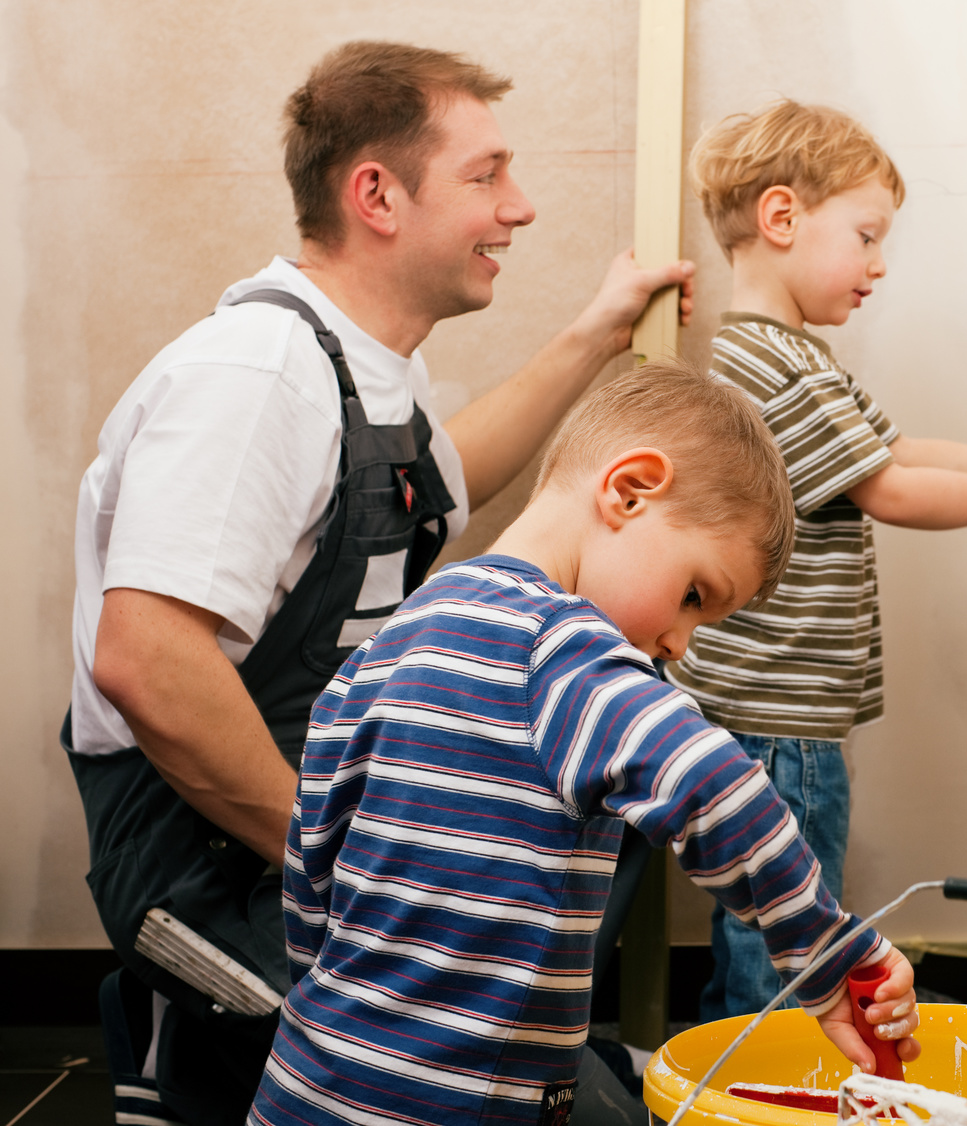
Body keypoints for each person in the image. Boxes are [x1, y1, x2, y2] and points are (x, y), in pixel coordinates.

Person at [66, 41, 694, 1126]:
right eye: (487, 175)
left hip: (299, 818)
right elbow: (148, 662)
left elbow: (451, 468)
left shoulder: (361, 367)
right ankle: (179, 1046)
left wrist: (597, 332)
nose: (521, 207)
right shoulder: (256, 377)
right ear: (377, 196)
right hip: (199, 862)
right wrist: (357, 871)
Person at [248, 362, 922, 1126]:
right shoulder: (558, 645)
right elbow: (714, 782)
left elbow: (308, 868)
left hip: (307, 1079)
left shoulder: (389, 643)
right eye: (695, 595)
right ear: (629, 490)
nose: (677, 642)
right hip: (454, 1104)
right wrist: (824, 954)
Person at [667, 101, 967, 1019]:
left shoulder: (779, 356)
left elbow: (894, 451)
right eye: (864, 236)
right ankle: (756, 1083)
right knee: (786, 922)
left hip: (775, 707)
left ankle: (728, 1069)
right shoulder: (777, 367)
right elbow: (890, 488)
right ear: (782, 220)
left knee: (760, 913)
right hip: (784, 717)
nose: (878, 264)